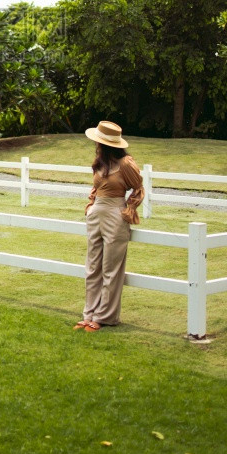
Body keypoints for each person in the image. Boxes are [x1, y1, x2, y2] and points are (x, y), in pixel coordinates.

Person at [74, 120, 144, 332]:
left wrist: (129, 209)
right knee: (93, 266)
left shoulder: (125, 164)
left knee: (111, 269)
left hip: (115, 214)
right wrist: (92, 205)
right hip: (97, 215)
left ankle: (104, 316)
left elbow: (138, 188)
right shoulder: (100, 162)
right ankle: (89, 314)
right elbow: (96, 187)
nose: (96, 145)